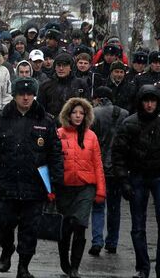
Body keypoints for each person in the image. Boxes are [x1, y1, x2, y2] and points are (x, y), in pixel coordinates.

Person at [0, 77, 63, 278]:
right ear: (14, 96)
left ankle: (24, 267)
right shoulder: (0, 120)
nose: (25, 98)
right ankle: (7, 248)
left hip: (34, 185)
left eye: (29, 94)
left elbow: (55, 154)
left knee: (29, 229)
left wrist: (57, 181)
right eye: (21, 94)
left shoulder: (46, 121)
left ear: (34, 95)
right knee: (2, 224)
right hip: (6, 183)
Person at [112, 85, 160, 278]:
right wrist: (124, 181)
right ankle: (143, 268)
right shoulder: (129, 124)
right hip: (137, 176)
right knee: (138, 225)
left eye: (153, 101)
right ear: (140, 102)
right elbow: (118, 154)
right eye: (146, 101)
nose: (149, 104)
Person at [56, 97, 106, 277]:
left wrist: (100, 190)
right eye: (75, 112)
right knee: (65, 227)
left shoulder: (91, 136)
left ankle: (75, 267)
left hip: (86, 186)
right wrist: (51, 189)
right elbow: (53, 162)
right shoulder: (59, 134)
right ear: (68, 114)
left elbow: (97, 164)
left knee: (80, 225)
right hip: (64, 187)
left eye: (81, 113)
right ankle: (64, 261)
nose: (78, 116)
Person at [89, 86, 128, 257]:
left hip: (99, 167)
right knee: (115, 207)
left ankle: (97, 241)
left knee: (98, 206)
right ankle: (112, 241)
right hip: (118, 168)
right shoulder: (125, 115)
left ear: (98, 98)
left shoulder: (94, 114)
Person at [38, 52, 89, 118]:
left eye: (64, 65)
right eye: (58, 65)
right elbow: (40, 110)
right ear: (55, 67)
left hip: (74, 124)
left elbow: (87, 109)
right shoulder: (45, 85)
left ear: (70, 68)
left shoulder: (81, 84)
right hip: (51, 124)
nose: (61, 68)